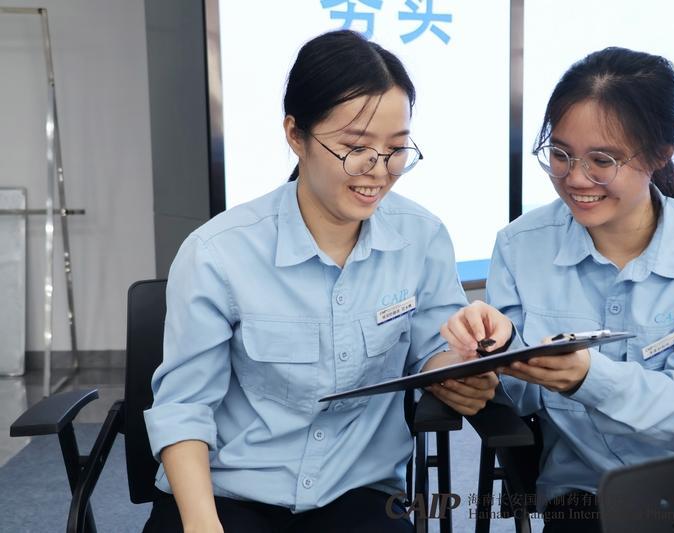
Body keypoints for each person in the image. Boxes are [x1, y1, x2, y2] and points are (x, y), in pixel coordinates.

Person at [142, 30, 497, 533]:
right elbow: (185, 407)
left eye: (396, 149)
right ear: (295, 134)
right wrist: (203, 523)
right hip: (228, 494)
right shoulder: (218, 253)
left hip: (357, 494)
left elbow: (434, 352)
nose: (378, 171)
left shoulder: (422, 238)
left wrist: (465, 369)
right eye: (355, 147)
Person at [441, 47, 674, 532]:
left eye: (602, 160)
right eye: (560, 154)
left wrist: (588, 377)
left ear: (661, 154)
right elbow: (518, 397)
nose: (576, 178)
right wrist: (493, 351)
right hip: (590, 490)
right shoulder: (519, 246)